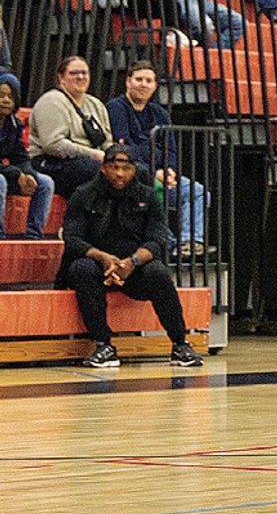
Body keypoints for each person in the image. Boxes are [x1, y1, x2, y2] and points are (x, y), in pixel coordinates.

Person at [55, 144, 203, 369]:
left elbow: (158, 239)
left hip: (134, 268)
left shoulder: (148, 196)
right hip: (97, 265)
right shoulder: (83, 194)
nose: (119, 173)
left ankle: (180, 344)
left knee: (158, 272)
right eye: (113, 167)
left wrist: (132, 262)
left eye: (125, 168)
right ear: (104, 168)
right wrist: (103, 258)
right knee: (81, 269)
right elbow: (73, 239)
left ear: (135, 170)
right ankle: (103, 344)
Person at [106, 61, 208, 255]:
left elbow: (170, 149)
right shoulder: (116, 108)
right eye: (138, 79)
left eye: (148, 80)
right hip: (134, 176)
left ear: (154, 86)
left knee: (198, 192)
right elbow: (125, 148)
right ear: (128, 82)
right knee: (147, 198)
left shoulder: (159, 113)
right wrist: (155, 169)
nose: (143, 84)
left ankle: (190, 242)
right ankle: (167, 244)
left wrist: (170, 171)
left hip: (162, 175)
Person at [29, 56, 112, 200]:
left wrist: (114, 158)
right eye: (74, 73)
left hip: (90, 160)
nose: (81, 77)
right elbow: (53, 145)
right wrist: (93, 154)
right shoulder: (52, 101)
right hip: (50, 161)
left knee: (134, 170)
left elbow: (107, 142)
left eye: (84, 73)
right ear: (61, 78)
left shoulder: (96, 104)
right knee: (91, 169)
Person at [0, 74, 55, 239]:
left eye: (10, 96)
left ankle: (33, 235)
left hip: (6, 172)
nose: (6, 100)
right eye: (1, 95)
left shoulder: (14, 124)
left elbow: (21, 157)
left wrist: (28, 175)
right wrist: (17, 174)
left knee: (45, 183)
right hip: (4, 175)